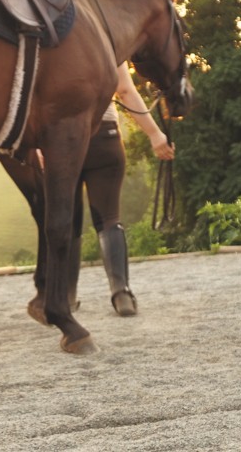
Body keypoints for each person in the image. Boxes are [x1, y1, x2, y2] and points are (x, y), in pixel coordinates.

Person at [82, 62, 175, 316]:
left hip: (62, 138)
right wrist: (155, 135)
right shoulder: (111, 43)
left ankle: (65, 297)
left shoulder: (48, 40)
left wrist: (35, 145)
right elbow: (125, 90)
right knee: (109, 218)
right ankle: (121, 293)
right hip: (105, 134)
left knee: (66, 218)